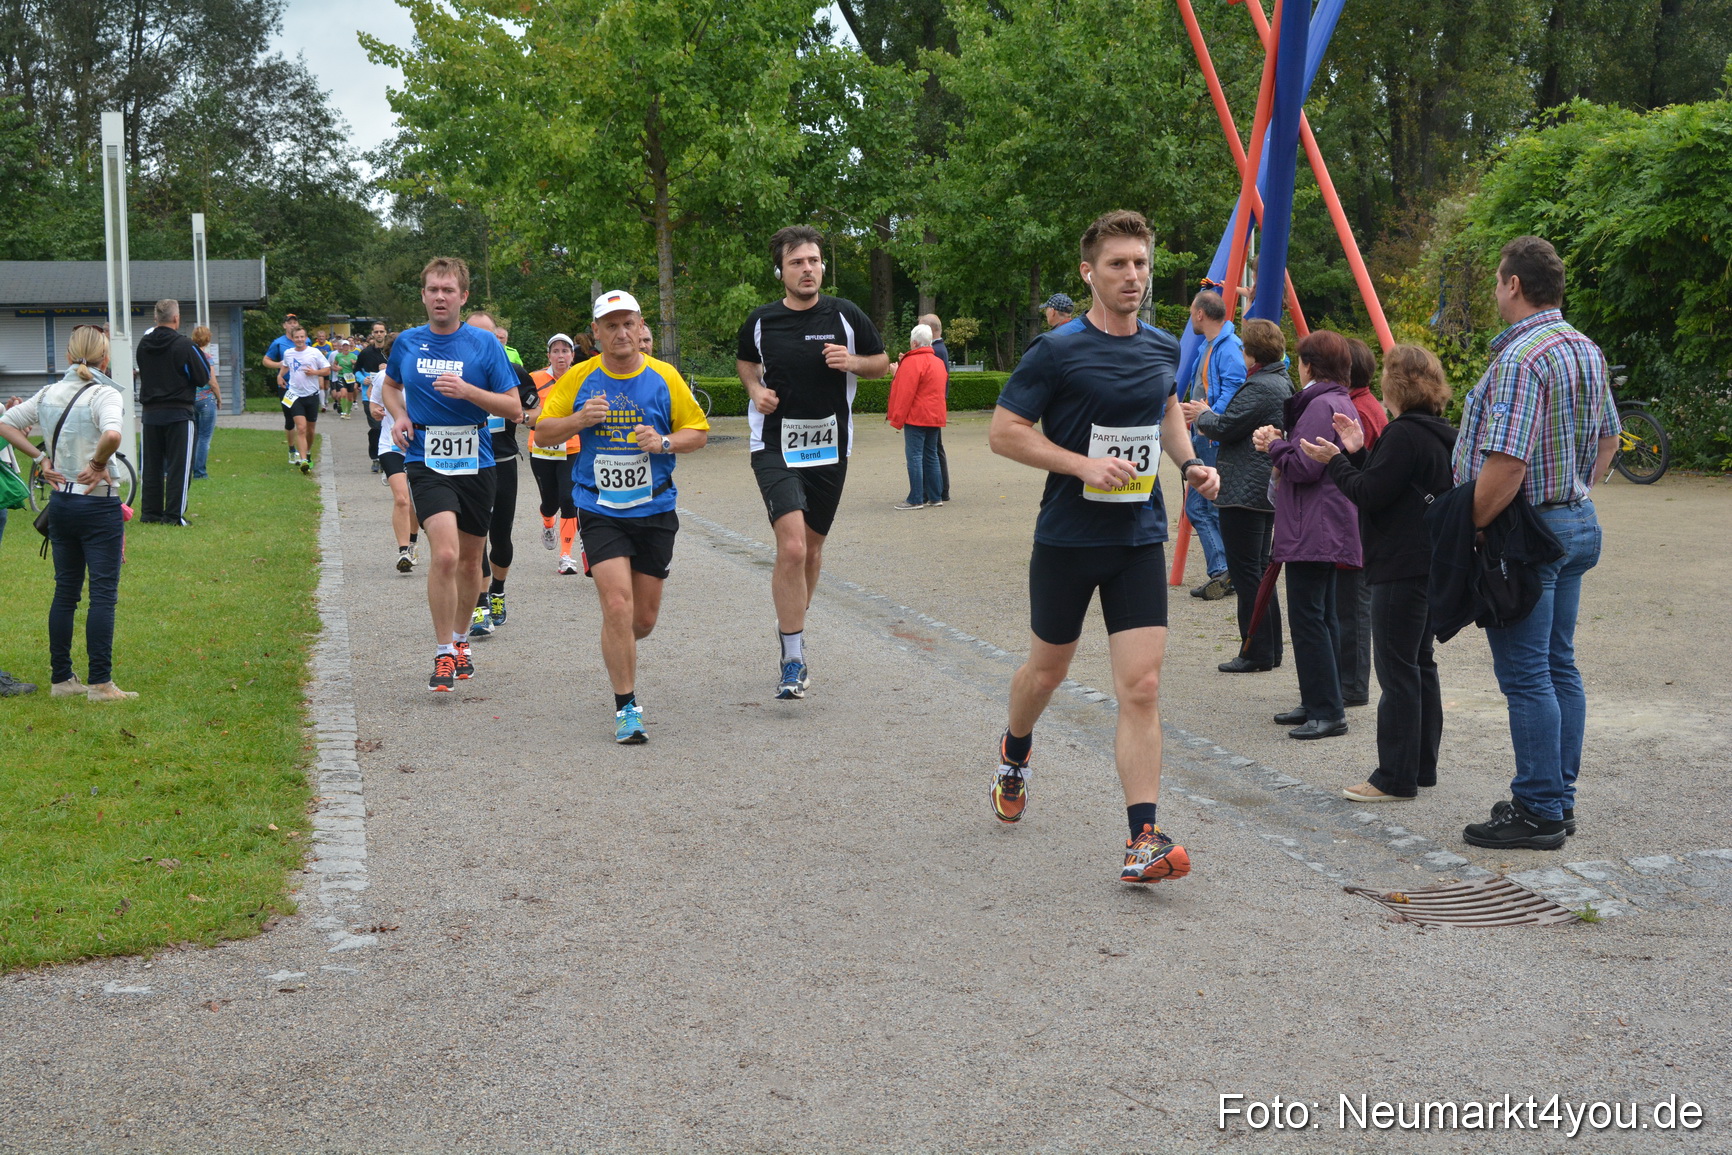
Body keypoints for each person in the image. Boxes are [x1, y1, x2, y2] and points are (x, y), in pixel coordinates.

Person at [987, 209, 1220, 884]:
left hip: (1137, 536)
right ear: (1089, 273)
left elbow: (1165, 409)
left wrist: (1188, 464)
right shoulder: (1055, 351)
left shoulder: (1163, 346)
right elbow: (1005, 432)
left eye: (1142, 263)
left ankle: (1141, 837)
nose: (1133, 275)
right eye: (1118, 264)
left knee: (1142, 686)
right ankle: (1015, 748)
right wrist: (1079, 463)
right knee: (1046, 673)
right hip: (1067, 537)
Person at [1454, 236, 1618, 850]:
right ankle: (1556, 797)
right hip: (1573, 521)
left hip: (1527, 531)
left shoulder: (1522, 358)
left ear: (1513, 284)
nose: (1497, 290)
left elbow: (1507, 465)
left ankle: (1540, 810)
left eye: (1498, 281)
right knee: (1557, 666)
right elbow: (1608, 438)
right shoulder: (1584, 348)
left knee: (1527, 677)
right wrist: (1574, 488)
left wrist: (1470, 526)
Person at [532, 290, 710, 742]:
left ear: (639, 324)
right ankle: (626, 708)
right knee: (616, 605)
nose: (621, 332)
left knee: (641, 620)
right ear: (596, 334)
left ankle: (619, 638)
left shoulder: (664, 377)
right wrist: (578, 420)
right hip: (599, 507)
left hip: (654, 509)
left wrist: (665, 442)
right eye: (610, 325)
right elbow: (542, 429)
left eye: (627, 322)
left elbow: (698, 432)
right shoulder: (579, 378)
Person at [736, 224, 889, 700]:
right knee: (794, 548)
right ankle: (795, 656)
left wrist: (853, 362)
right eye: (798, 262)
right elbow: (745, 362)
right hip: (774, 446)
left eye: (815, 261)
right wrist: (755, 390)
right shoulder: (761, 321)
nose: (808, 269)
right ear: (779, 269)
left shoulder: (846, 315)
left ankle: (791, 632)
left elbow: (881, 362)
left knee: (814, 549)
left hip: (829, 448)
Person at [1299, 345, 1457, 801]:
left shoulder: (1404, 433)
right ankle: (1420, 765)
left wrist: (1337, 462)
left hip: (1400, 564)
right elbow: (1391, 486)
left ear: (1395, 385)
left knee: (1398, 670)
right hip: (1428, 562)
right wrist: (1359, 451)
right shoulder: (1438, 432)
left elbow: (1368, 494)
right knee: (1419, 664)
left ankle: (1394, 776)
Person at [378, 257, 525, 693]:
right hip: (425, 458)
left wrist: (468, 392)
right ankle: (443, 652)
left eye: (448, 290)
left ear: (463, 296)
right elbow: (389, 386)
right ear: (423, 295)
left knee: (467, 560)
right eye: (432, 290)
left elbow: (514, 407)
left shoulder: (483, 345)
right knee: (443, 554)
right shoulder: (406, 343)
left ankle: (462, 642)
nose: (439, 297)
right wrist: (399, 414)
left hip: (476, 460)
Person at [0, 325, 135, 700]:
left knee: (65, 594)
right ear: (105, 358)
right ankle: (101, 684)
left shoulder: (49, 392)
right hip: (98, 502)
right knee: (103, 595)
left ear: (67, 355)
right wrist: (97, 462)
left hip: (61, 504)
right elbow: (112, 435)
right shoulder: (105, 393)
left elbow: (6, 424)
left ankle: (62, 680)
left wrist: (41, 458)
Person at [1252, 330, 1362, 740]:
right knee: (1323, 614)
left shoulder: (1320, 404)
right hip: (1323, 523)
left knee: (1309, 617)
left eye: (1300, 362)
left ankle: (1328, 710)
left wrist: (1275, 446)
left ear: (1310, 365)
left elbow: (1304, 466)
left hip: (1311, 525)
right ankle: (1319, 699)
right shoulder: (1336, 399)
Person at [1182, 317, 1291, 673]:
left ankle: (1255, 652)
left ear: (1251, 353)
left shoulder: (1260, 386)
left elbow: (1226, 426)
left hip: (1245, 489)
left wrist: (1203, 414)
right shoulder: (1281, 381)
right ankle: (1269, 649)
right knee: (1260, 572)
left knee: (1248, 575)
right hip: (1263, 489)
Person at [462, 310, 539, 637]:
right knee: (474, 535)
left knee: (500, 535)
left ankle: (498, 592)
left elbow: (535, 408)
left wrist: (525, 416)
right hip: (467, 461)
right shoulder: (458, 371)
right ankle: (479, 603)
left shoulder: (515, 372)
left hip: (503, 459)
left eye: (490, 336)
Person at [1333, 337, 1389, 707]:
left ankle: (1352, 684)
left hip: (1355, 525)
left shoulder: (1359, 411)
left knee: (1353, 607)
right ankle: (1347, 679)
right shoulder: (1364, 405)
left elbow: (1361, 470)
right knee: (1348, 606)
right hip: (1356, 522)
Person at [1181, 289, 1245, 601]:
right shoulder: (1212, 345)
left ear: (1200, 314)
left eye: (1191, 311)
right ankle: (1227, 569)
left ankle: (1224, 570)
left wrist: (1208, 418)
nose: (1190, 316)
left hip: (1212, 437)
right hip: (1206, 434)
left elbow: (1235, 384)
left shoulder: (1228, 346)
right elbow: (1205, 388)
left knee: (1200, 506)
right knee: (1207, 506)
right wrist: (1192, 416)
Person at [135, 298, 210, 525]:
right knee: (179, 466)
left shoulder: (143, 344)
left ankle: (150, 513)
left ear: (156, 319)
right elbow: (202, 376)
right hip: (179, 412)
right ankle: (173, 515)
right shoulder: (185, 345)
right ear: (176, 318)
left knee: (152, 466)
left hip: (150, 413)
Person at [528, 333, 582, 571]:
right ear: (549, 355)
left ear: (572, 355)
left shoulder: (582, 377)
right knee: (549, 503)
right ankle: (548, 523)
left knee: (569, 499)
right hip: (541, 448)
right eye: (556, 351)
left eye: (565, 351)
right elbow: (525, 409)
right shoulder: (535, 378)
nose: (561, 356)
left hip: (572, 447)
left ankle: (566, 555)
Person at [886, 322, 948, 509]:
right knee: (931, 455)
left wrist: (897, 419)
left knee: (914, 456)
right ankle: (935, 497)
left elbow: (905, 393)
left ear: (914, 343)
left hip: (916, 416)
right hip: (934, 415)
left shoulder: (911, 362)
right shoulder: (937, 362)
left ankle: (915, 498)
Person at [366, 366, 421, 572]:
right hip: (391, 444)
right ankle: (403, 551)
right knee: (401, 498)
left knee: (414, 499)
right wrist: (375, 411)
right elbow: (374, 403)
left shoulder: (423, 372)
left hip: (419, 446)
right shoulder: (384, 376)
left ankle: (413, 543)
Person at [277, 325, 329, 475]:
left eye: (302, 337)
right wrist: (280, 376)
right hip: (294, 395)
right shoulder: (288, 353)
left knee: (311, 430)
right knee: (301, 428)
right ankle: (304, 460)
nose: (299, 340)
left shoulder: (314, 352)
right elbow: (286, 366)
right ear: (292, 339)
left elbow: (326, 369)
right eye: (296, 337)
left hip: (311, 395)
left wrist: (315, 372)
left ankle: (307, 451)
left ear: (306, 338)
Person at [918, 313, 952, 503]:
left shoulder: (935, 350)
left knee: (931, 450)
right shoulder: (939, 348)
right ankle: (940, 490)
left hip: (930, 407)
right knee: (935, 449)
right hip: (936, 405)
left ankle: (938, 491)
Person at [262, 314, 300, 463]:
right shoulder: (278, 343)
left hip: (303, 387)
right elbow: (265, 361)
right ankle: (292, 450)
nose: (292, 325)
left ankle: (304, 451)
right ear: (284, 326)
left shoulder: (305, 340)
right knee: (290, 419)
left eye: (295, 322)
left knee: (303, 420)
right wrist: (280, 365)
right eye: (289, 323)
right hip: (286, 386)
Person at [189, 325, 222, 481]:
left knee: (193, 437)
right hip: (206, 400)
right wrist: (219, 398)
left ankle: (189, 468)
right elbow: (212, 381)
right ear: (208, 338)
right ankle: (200, 472)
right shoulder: (207, 358)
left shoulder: (189, 356)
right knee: (204, 438)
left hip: (191, 400)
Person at [357, 322, 390, 472]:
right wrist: (361, 379)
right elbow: (356, 370)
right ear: (372, 334)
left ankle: (388, 457)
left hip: (390, 396)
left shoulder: (391, 352)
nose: (379, 334)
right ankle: (375, 458)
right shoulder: (365, 353)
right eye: (376, 332)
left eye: (381, 331)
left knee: (388, 426)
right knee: (376, 427)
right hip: (369, 396)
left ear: (385, 333)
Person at [332, 338, 358, 419]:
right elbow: (333, 365)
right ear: (342, 347)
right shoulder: (338, 356)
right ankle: (343, 412)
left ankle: (348, 412)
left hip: (350, 377)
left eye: (347, 345)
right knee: (343, 393)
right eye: (344, 346)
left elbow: (357, 367)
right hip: (341, 376)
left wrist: (354, 364)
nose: (345, 347)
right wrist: (336, 368)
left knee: (350, 396)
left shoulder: (353, 356)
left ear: (349, 347)